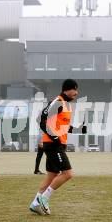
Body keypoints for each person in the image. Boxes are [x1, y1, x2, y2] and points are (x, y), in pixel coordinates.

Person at [29, 79, 86, 215]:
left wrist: (77, 130)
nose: (77, 93)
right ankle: (44, 198)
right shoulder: (58, 102)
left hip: (57, 144)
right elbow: (40, 119)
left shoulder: (66, 105)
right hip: (54, 144)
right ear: (67, 89)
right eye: (75, 89)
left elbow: (62, 126)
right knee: (68, 174)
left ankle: (35, 203)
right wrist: (53, 136)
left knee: (51, 176)